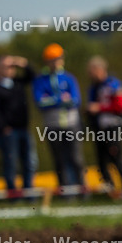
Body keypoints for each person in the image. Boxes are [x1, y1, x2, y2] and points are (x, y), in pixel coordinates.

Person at [33, 43, 85, 192]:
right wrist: (60, 99)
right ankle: (65, 192)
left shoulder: (69, 78)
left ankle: (82, 190)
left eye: (58, 58)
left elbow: (75, 100)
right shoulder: (40, 80)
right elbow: (40, 102)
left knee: (76, 159)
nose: (56, 62)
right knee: (59, 161)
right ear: (47, 61)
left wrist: (52, 99)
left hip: (71, 124)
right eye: (52, 59)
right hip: (52, 125)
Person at [0, 54, 36, 192]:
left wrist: (22, 63)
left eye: (13, 66)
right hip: (8, 132)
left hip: (24, 128)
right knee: (11, 164)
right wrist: (3, 127)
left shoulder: (17, 82)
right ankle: (13, 194)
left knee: (29, 162)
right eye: (7, 66)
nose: (11, 69)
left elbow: (33, 76)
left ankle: (28, 192)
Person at [86, 56, 122, 192]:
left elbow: (121, 105)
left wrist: (99, 108)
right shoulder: (93, 87)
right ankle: (110, 189)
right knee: (101, 160)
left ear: (100, 69)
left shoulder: (113, 84)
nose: (90, 74)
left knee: (116, 157)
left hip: (113, 126)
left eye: (92, 71)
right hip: (99, 128)